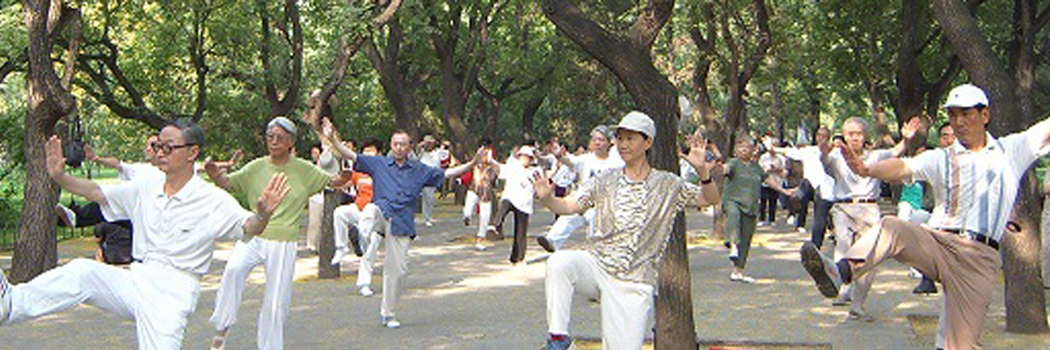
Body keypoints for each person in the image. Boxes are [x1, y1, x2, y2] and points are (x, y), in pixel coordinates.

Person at [0, 119, 288, 350]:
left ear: (192, 152)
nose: (160, 153)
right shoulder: (146, 187)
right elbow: (98, 192)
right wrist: (60, 177)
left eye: (168, 147)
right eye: (157, 146)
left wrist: (263, 213)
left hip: (173, 292)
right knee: (81, 273)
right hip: (138, 278)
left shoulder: (211, 199)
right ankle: (11, 303)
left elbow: (249, 227)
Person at [800, 84, 1050, 349]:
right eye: (953, 115)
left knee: (959, 345)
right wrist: (867, 170)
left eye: (966, 114)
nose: (959, 122)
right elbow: (903, 166)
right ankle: (839, 273)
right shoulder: (941, 157)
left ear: (985, 115)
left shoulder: (1012, 149)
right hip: (938, 243)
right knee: (892, 227)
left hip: (978, 258)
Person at [532, 111, 720, 350]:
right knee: (560, 262)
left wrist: (704, 173)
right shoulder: (605, 180)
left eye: (630, 138)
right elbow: (569, 205)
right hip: (597, 264)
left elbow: (709, 198)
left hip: (634, 281)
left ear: (648, 142)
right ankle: (558, 340)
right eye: (620, 138)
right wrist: (548, 200)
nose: (623, 144)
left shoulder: (668, 184)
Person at [204, 117, 350, 350]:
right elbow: (229, 182)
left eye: (280, 137)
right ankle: (222, 328)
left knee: (275, 301)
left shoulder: (304, 169)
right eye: (270, 137)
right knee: (232, 271)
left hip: (283, 240)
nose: (274, 141)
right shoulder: (256, 167)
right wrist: (214, 174)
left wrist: (344, 167)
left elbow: (335, 181)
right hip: (254, 232)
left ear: (291, 141)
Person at [320, 119, 479, 329]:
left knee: (398, 271)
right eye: (395, 143)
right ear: (390, 145)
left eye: (403, 144)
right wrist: (332, 138)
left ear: (410, 147)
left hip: (401, 222)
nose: (399, 148)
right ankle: (363, 233)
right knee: (369, 210)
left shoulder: (419, 169)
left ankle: (388, 313)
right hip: (380, 213)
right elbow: (350, 155)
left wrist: (472, 163)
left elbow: (446, 173)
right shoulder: (379, 163)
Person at [817, 116, 918, 319]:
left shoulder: (875, 156)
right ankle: (841, 286)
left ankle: (858, 304)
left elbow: (896, 152)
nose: (853, 138)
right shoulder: (836, 156)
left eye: (858, 133)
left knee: (868, 257)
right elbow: (825, 159)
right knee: (843, 247)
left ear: (865, 136)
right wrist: (823, 150)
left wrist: (906, 139)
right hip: (844, 207)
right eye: (849, 134)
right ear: (844, 136)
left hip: (869, 208)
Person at [536, 126, 625, 252]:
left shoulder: (616, 162)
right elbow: (570, 162)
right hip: (582, 200)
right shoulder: (585, 159)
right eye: (594, 140)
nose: (597, 143)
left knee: (596, 230)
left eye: (601, 140)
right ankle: (552, 241)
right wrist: (560, 157)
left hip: (601, 204)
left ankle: (597, 252)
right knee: (567, 218)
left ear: (609, 142)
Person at [721, 136, 794, 283]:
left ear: (753, 150)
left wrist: (784, 191)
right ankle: (732, 244)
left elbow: (767, 180)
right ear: (735, 151)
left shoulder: (756, 167)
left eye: (746, 147)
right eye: (740, 147)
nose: (743, 150)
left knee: (747, 238)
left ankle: (738, 271)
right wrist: (719, 168)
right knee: (733, 215)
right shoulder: (734, 163)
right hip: (733, 201)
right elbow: (726, 169)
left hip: (751, 205)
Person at [331, 138, 385, 297]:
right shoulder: (359, 170)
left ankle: (364, 283)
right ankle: (341, 248)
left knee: (370, 251)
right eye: (365, 151)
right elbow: (345, 183)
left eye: (372, 150)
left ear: (379, 153)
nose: (368, 153)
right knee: (339, 213)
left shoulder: (384, 169)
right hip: (359, 209)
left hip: (375, 214)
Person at [775, 127, 835, 243]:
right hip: (809, 186)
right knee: (800, 192)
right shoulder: (809, 150)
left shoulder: (835, 152)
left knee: (820, 218)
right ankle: (794, 213)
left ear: (828, 138)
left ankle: (816, 244)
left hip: (826, 189)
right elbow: (789, 151)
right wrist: (773, 148)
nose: (821, 138)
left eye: (824, 136)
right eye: (819, 135)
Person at [486, 145, 541, 264]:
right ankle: (495, 226)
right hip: (511, 197)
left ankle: (518, 258)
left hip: (524, 203)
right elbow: (499, 168)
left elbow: (541, 184)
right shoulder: (513, 166)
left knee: (520, 232)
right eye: (523, 157)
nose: (525, 160)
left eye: (528, 158)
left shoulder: (535, 171)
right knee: (504, 205)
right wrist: (490, 160)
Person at [306, 139, 346, 253]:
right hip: (316, 197)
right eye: (312, 153)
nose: (314, 155)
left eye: (316, 153)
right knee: (314, 221)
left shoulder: (329, 162)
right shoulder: (313, 165)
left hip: (328, 194)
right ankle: (312, 244)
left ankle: (323, 245)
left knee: (327, 222)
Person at [463, 139, 499, 251]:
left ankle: (480, 240)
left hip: (486, 193)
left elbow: (497, 176)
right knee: (468, 208)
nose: (485, 155)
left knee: (485, 217)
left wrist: (492, 162)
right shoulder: (475, 164)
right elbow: (468, 172)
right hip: (474, 189)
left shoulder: (493, 167)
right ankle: (466, 217)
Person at [417, 135, 447, 227]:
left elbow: (446, 155)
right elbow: (417, 151)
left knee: (430, 199)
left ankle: (429, 216)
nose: (429, 145)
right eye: (427, 143)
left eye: (430, 143)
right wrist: (422, 145)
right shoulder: (421, 153)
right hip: (423, 178)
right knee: (426, 197)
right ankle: (426, 218)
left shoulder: (437, 152)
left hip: (433, 177)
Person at [758, 142, 787, 227]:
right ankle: (762, 218)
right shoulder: (763, 157)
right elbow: (760, 168)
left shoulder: (780, 158)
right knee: (763, 200)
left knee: (773, 201)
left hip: (776, 181)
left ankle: (772, 219)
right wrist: (765, 170)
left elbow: (784, 171)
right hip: (764, 182)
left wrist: (775, 169)